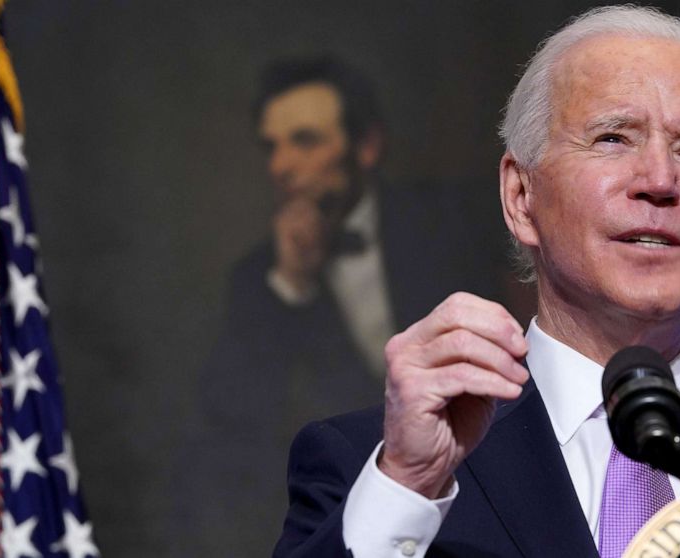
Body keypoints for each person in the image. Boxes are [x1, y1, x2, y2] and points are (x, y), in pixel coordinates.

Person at [273, 6, 680, 557]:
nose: (659, 181)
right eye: (613, 138)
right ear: (520, 196)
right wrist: (409, 482)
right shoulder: (376, 469)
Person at [186, 57, 512, 555]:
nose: (281, 166)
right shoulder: (259, 280)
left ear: (366, 147)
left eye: (305, 140)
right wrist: (292, 284)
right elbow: (234, 427)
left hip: (488, 493)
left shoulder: (451, 223)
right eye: (271, 147)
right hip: (345, 516)